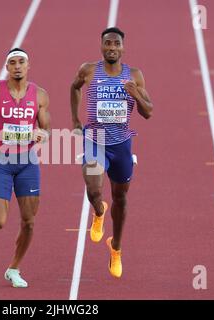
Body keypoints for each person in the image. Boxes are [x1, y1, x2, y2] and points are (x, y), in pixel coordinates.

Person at [70, 27, 153, 278]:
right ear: (101, 46)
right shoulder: (89, 70)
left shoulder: (134, 75)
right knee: (94, 188)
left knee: (121, 199)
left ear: (123, 48)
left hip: (121, 145)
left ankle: (115, 247)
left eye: (116, 44)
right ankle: (98, 211)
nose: (112, 48)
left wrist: (135, 93)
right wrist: (75, 120)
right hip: (95, 139)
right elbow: (74, 87)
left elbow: (148, 112)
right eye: (107, 44)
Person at [0, 48, 50, 288]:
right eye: (12, 63)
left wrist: (41, 135)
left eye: (21, 62)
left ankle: (14, 268)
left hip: (28, 163)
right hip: (1, 162)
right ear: (7, 67)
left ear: (28, 66)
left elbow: (46, 129)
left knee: (29, 221)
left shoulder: (40, 95)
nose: (17, 66)